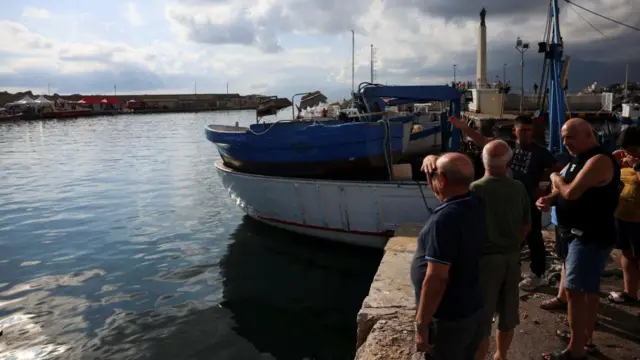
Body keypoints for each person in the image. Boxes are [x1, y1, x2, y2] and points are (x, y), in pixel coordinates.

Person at [536, 118, 620, 360]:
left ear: (588, 135)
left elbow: (571, 192)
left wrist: (554, 179)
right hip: (574, 234)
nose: (565, 142)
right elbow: (564, 187)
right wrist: (550, 198)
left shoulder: (599, 160)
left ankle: (575, 349)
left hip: (590, 237)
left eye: (570, 137)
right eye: (563, 137)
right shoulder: (578, 160)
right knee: (587, 290)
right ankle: (585, 339)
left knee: (576, 290)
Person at [449, 115, 562, 291]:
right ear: (514, 130)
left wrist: (547, 190)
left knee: (534, 237)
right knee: (503, 234)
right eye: (522, 129)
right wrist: (465, 128)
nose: (526, 133)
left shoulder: (540, 152)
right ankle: (506, 270)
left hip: (528, 201)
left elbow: (559, 170)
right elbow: (483, 142)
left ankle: (537, 274)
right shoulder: (506, 146)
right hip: (503, 199)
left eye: (529, 130)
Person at [413, 153, 485, 360]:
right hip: (471, 307)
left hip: (448, 318)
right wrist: (433, 160)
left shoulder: (444, 220)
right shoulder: (475, 202)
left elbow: (437, 277)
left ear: (442, 180)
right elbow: (448, 181)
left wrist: (422, 322)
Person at [469, 140, 531, 360]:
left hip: (485, 262)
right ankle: (501, 356)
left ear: (483, 161)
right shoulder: (518, 187)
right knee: (508, 314)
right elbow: (527, 225)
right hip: (512, 258)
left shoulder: (474, 189)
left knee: (482, 318)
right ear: (509, 161)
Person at [608, 126, 640, 303]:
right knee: (627, 254)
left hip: (639, 220)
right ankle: (630, 293)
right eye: (625, 149)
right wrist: (612, 161)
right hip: (622, 216)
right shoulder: (621, 160)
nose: (629, 153)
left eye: (634, 150)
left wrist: (637, 165)